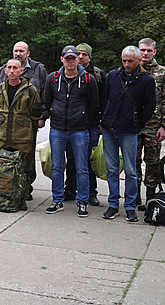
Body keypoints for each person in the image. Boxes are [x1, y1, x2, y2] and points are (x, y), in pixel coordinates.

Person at [42, 45, 99, 217]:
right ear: (62, 59)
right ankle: (57, 200)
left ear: (77, 60)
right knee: (57, 167)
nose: (70, 61)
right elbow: (47, 101)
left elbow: (94, 105)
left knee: (82, 167)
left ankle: (82, 202)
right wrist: (46, 116)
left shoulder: (88, 79)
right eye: (67, 58)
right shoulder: (53, 78)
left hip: (80, 130)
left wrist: (88, 123)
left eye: (73, 58)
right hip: (58, 129)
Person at [101, 45, 156, 222]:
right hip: (110, 129)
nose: (126, 64)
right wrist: (104, 119)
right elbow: (105, 98)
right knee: (111, 169)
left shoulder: (147, 80)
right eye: (124, 61)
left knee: (131, 171)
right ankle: (113, 205)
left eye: (130, 61)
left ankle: (130, 206)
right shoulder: (112, 75)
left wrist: (138, 123)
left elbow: (150, 105)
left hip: (130, 131)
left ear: (139, 60)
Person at [0, 41, 48, 199]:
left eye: (21, 51)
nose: (18, 54)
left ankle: (25, 188)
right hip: (5, 125)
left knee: (27, 157)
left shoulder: (38, 69)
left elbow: (44, 94)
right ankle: (5, 186)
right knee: (4, 157)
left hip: (27, 124)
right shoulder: (3, 69)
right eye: (15, 51)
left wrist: (42, 117)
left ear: (28, 53)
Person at [0, 59, 41, 209]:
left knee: (24, 167)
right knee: (1, 166)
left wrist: (24, 126)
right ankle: (2, 194)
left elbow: (35, 113)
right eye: (9, 68)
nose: (12, 70)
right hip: (2, 136)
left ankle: (22, 196)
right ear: (5, 70)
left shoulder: (30, 90)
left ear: (21, 71)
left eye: (15, 68)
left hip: (22, 137)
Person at [63, 43, 108, 206]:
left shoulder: (98, 75)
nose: (80, 57)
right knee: (72, 158)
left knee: (88, 159)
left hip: (91, 124)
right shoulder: (65, 73)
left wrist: (102, 122)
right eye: (78, 54)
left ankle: (91, 193)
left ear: (89, 57)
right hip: (72, 125)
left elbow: (104, 100)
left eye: (84, 54)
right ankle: (70, 189)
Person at [135, 38, 165, 210]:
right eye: (142, 50)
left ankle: (151, 199)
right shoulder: (131, 69)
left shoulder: (163, 73)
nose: (145, 53)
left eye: (148, 50)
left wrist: (163, 125)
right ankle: (134, 198)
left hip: (154, 126)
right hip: (133, 125)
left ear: (154, 52)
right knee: (132, 163)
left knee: (153, 163)